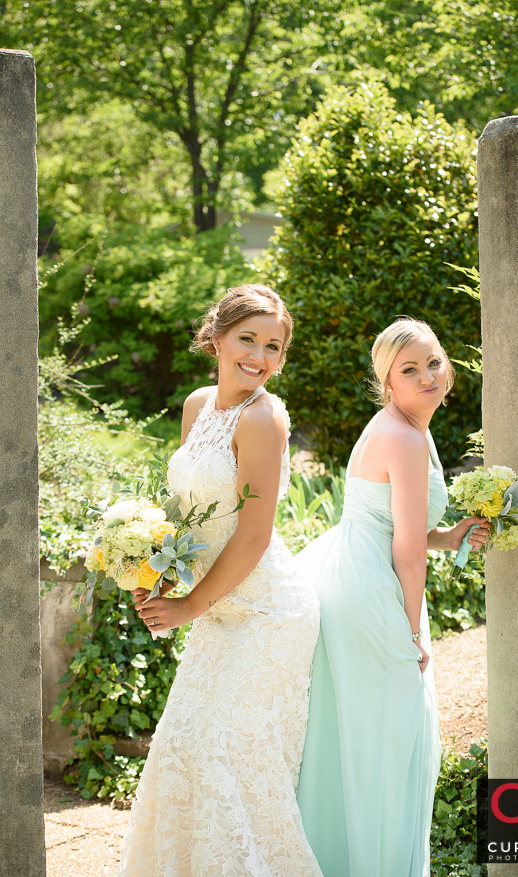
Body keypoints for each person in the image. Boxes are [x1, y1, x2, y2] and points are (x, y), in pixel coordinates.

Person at [117, 284, 323, 877]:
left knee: (222, 756)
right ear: (216, 338)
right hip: (214, 607)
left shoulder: (265, 419)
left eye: (274, 346)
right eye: (248, 339)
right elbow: (188, 514)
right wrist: (155, 573)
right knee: (180, 749)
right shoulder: (197, 404)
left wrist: (190, 607)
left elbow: (254, 534)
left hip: (266, 612)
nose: (259, 356)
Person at [295, 317, 490, 877]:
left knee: (364, 733)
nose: (427, 375)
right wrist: (410, 633)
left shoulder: (409, 428)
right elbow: (404, 550)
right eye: (410, 369)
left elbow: (395, 526)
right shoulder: (404, 436)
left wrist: (448, 537)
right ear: (387, 383)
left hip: (360, 569)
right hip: (372, 590)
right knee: (390, 735)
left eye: (434, 362)